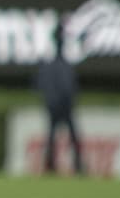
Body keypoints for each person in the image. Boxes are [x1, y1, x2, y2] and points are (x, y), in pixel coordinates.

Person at [33, 41, 84, 175]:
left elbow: (39, 85)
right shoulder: (64, 66)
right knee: (60, 137)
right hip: (62, 106)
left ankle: (56, 164)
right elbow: (71, 87)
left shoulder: (51, 66)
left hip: (57, 106)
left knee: (58, 137)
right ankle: (61, 164)